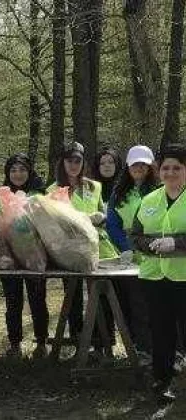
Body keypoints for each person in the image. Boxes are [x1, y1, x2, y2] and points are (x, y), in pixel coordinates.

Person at [48, 141, 119, 355]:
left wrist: (101, 217)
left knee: (101, 297)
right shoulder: (52, 190)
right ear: (63, 162)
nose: (73, 165)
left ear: (83, 163)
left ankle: (103, 344)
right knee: (73, 297)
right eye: (69, 160)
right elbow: (52, 223)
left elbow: (104, 215)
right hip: (68, 250)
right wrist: (81, 219)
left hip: (98, 249)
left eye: (77, 160)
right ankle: (79, 341)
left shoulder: (93, 186)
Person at [131, 143, 186, 404]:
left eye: (177, 167)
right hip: (154, 277)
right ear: (159, 170)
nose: (171, 172)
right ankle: (161, 379)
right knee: (161, 331)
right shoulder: (149, 199)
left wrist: (177, 243)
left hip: (184, 277)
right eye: (166, 167)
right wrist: (147, 245)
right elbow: (136, 234)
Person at [107, 145, 158, 363]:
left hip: (156, 254)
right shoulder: (119, 193)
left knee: (155, 304)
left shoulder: (158, 190)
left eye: (143, 164)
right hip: (130, 257)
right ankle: (140, 348)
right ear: (128, 167)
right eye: (134, 164)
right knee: (133, 303)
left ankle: (164, 348)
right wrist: (125, 246)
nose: (138, 168)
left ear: (149, 167)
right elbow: (113, 224)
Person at [0, 153, 49, 358]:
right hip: (9, 257)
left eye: (22, 169)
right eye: (13, 170)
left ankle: (41, 343)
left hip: (34, 256)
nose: (17, 174)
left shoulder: (39, 194)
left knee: (37, 299)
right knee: (12, 301)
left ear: (29, 172)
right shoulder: (0, 196)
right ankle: (15, 343)